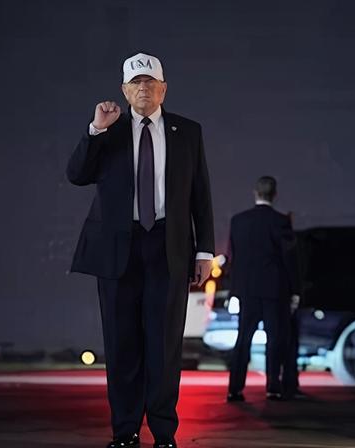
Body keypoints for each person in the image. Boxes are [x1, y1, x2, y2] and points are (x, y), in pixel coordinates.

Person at [66, 52, 215, 448]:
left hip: (168, 247)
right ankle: (125, 431)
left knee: (165, 347)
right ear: (124, 91)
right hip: (118, 250)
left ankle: (164, 433)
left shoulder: (189, 132)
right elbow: (76, 174)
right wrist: (96, 129)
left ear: (164, 88)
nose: (143, 89)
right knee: (121, 343)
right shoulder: (109, 131)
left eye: (150, 82)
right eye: (135, 83)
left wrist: (204, 253)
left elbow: (200, 195)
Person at [226, 176, 299, 402]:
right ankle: (273, 386)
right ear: (274, 194)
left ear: (254, 192)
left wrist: (234, 292)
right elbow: (289, 259)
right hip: (274, 291)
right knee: (275, 339)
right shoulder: (280, 222)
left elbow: (234, 259)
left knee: (243, 339)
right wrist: (294, 290)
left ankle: (235, 388)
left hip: (247, 290)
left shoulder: (238, 221)